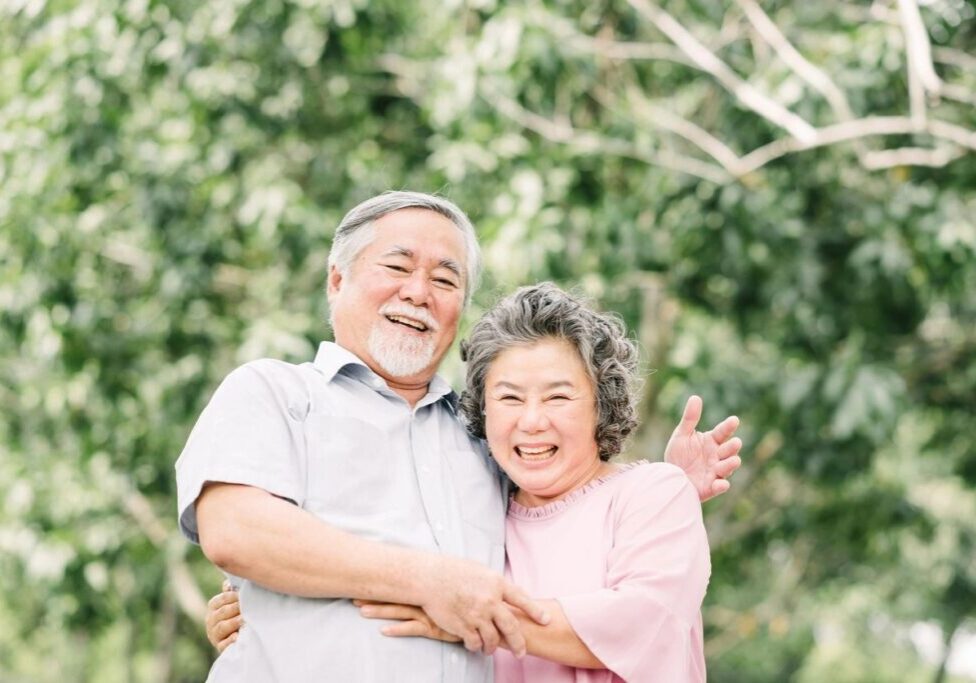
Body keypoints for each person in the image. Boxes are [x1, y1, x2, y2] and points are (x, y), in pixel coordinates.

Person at [180, 192, 741, 681]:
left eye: (445, 279)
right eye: (397, 267)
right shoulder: (275, 392)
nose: (419, 292)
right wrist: (427, 582)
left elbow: (571, 505)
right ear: (336, 279)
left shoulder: (480, 438)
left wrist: (662, 487)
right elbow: (234, 531)